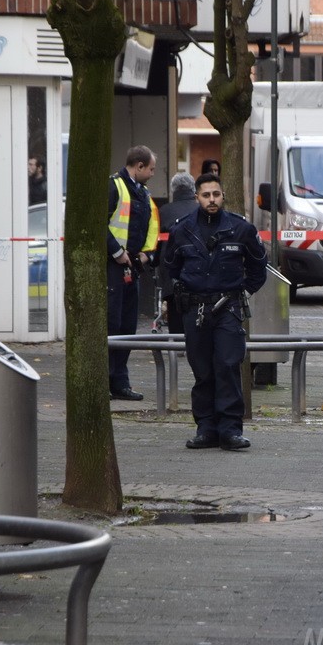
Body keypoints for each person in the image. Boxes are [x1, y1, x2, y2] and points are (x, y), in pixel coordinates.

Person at [165, 173, 268, 451]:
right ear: (197, 197)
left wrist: (242, 294)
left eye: (216, 194)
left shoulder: (240, 229)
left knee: (227, 366)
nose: (212, 199)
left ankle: (230, 430)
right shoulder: (182, 230)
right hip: (195, 308)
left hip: (228, 309)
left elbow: (259, 267)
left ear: (223, 196)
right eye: (206, 195)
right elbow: (170, 269)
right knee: (202, 371)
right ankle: (206, 429)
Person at [107, 145, 160, 401]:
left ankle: (120, 382)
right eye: (150, 169)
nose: (152, 174)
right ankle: (106, 380)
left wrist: (146, 254)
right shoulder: (114, 187)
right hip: (112, 268)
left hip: (133, 268)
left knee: (127, 326)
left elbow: (151, 228)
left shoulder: (143, 193)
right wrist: (117, 252)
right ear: (138, 166)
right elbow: (99, 224)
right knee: (112, 324)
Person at [157, 172, 199, 334]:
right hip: (197, 270)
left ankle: (175, 345)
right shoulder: (201, 210)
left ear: (173, 190)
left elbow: (156, 243)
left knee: (174, 309)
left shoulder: (163, 212)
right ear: (192, 189)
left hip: (170, 271)